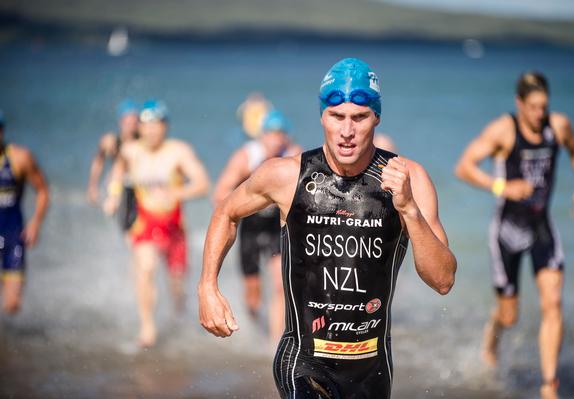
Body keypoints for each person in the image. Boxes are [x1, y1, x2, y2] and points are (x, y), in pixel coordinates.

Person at [198, 58, 456, 398]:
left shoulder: (410, 179)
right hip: (303, 364)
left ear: (376, 117)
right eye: (337, 117)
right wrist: (207, 287)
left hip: (372, 369)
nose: (347, 131)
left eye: (359, 118)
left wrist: (409, 209)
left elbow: (443, 280)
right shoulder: (288, 175)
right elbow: (226, 212)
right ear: (322, 116)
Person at [454, 71, 574, 399]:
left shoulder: (558, 126)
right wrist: (501, 186)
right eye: (532, 107)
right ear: (519, 104)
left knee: (553, 301)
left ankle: (548, 386)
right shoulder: (503, 130)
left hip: (542, 226)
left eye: (544, 107)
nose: (539, 114)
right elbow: (464, 166)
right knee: (509, 315)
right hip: (507, 232)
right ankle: (495, 331)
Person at [104, 100, 211, 347]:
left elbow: (203, 183)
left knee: (176, 287)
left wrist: (177, 193)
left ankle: (180, 320)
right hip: (145, 223)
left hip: (174, 226)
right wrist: (113, 195)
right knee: (145, 266)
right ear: (139, 128)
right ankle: (147, 328)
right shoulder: (131, 151)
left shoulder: (178, 151)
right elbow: (118, 172)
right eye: (147, 125)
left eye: (157, 125)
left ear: (165, 126)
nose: (152, 131)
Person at [212, 109, 302, 344]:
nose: (275, 139)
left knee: (281, 284)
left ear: (286, 137)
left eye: (280, 134)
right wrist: (250, 189)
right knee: (253, 293)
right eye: (270, 134)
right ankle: (254, 324)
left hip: (277, 226)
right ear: (262, 136)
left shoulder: (294, 156)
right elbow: (220, 193)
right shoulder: (246, 156)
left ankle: (275, 342)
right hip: (251, 226)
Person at [0, 110, 49, 314]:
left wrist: (35, 223)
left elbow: (43, 190)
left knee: (12, 305)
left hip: (13, 234)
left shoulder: (20, 158)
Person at [87, 99, 139, 231]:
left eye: (135, 122)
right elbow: (98, 162)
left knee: (134, 223)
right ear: (121, 122)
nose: (132, 125)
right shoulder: (110, 141)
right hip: (115, 184)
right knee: (120, 219)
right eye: (129, 122)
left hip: (135, 184)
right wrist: (93, 186)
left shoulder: (142, 141)